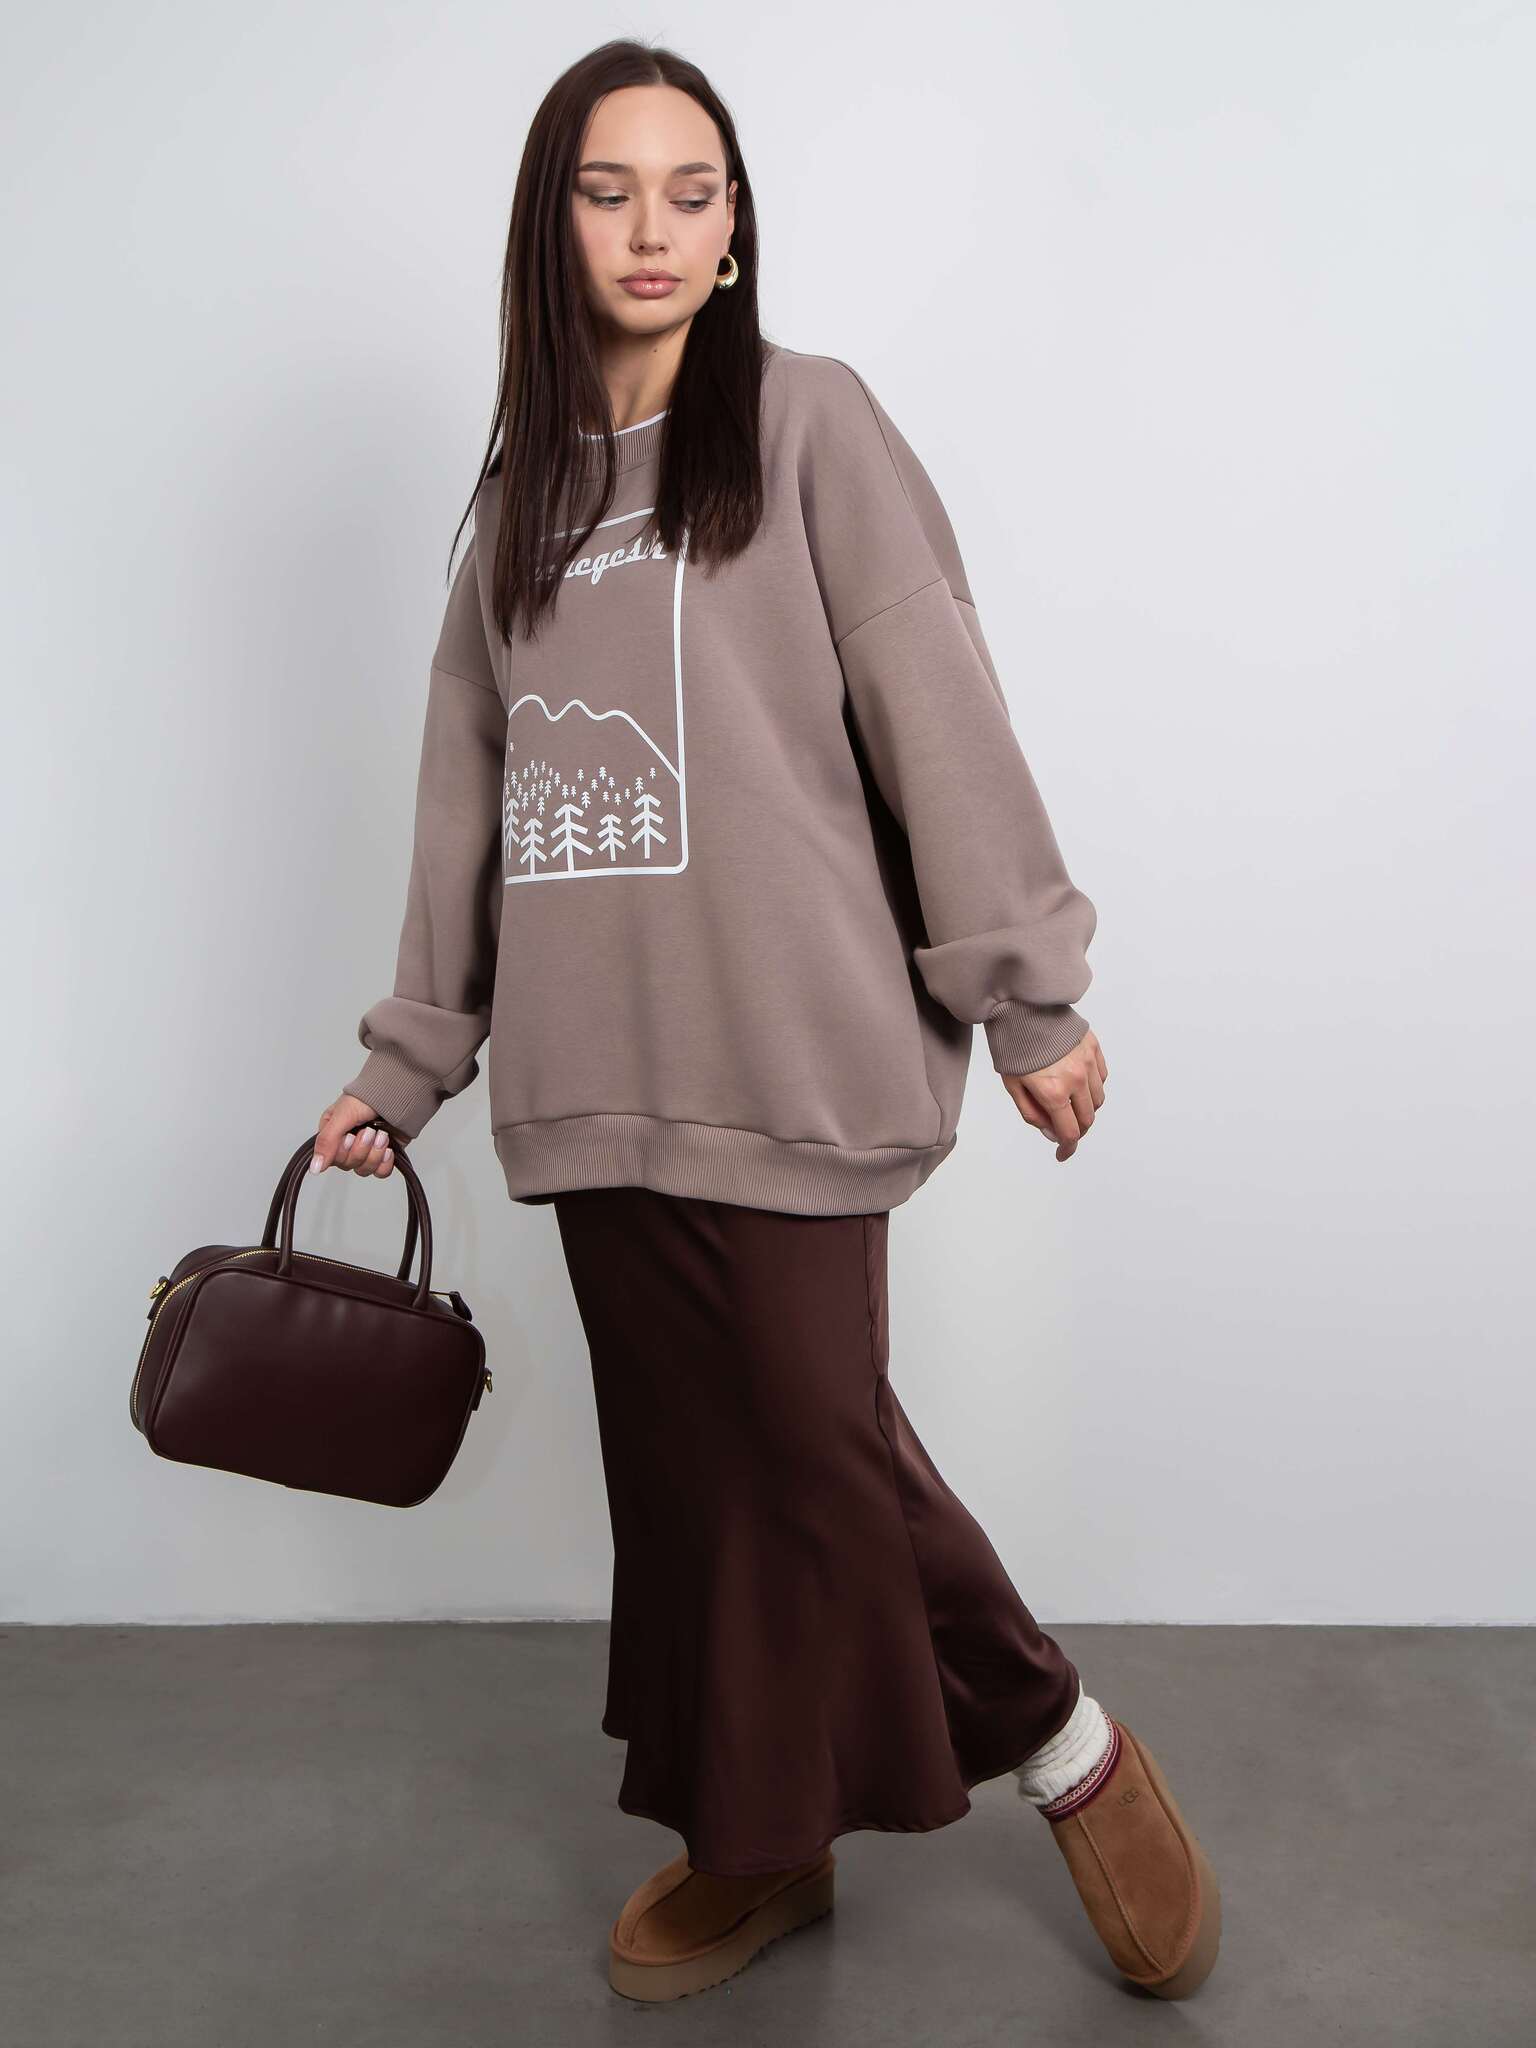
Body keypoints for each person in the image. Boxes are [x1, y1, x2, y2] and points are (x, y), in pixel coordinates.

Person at [310, 37, 1220, 2006]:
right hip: (592, 1080)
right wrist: (407, 1065)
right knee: (692, 1491)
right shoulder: (519, 509)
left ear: (734, 234)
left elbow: (933, 706)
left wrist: (1027, 989)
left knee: (820, 1454)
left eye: (692, 189)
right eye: (608, 189)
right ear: (551, 228)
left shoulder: (811, 426)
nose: (652, 227)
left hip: (791, 1058)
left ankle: (1065, 1746)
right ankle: (760, 1845)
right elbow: (467, 803)